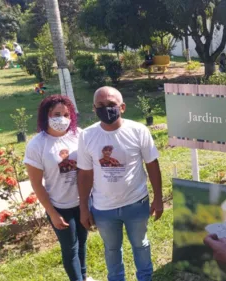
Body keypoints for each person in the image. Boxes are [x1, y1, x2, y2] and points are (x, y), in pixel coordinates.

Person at [77, 86, 164, 281]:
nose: (106, 109)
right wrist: (83, 207)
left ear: (122, 107)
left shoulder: (138, 131)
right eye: (100, 105)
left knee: (141, 245)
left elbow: (152, 165)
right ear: (93, 108)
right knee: (111, 249)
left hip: (136, 203)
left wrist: (158, 198)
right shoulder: (87, 136)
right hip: (103, 207)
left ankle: (145, 278)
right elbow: (84, 174)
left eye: (111, 104)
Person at [24, 95, 96, 281]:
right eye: (57, 114)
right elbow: (36, 183)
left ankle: (84, 276)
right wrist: (52, 213)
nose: (62, 119)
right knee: (70, 247)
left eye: (66, 114)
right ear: (46, 114)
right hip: (59, 206)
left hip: (82, 202)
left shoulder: (78, 135)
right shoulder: (37, 145)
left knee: (82, 242)